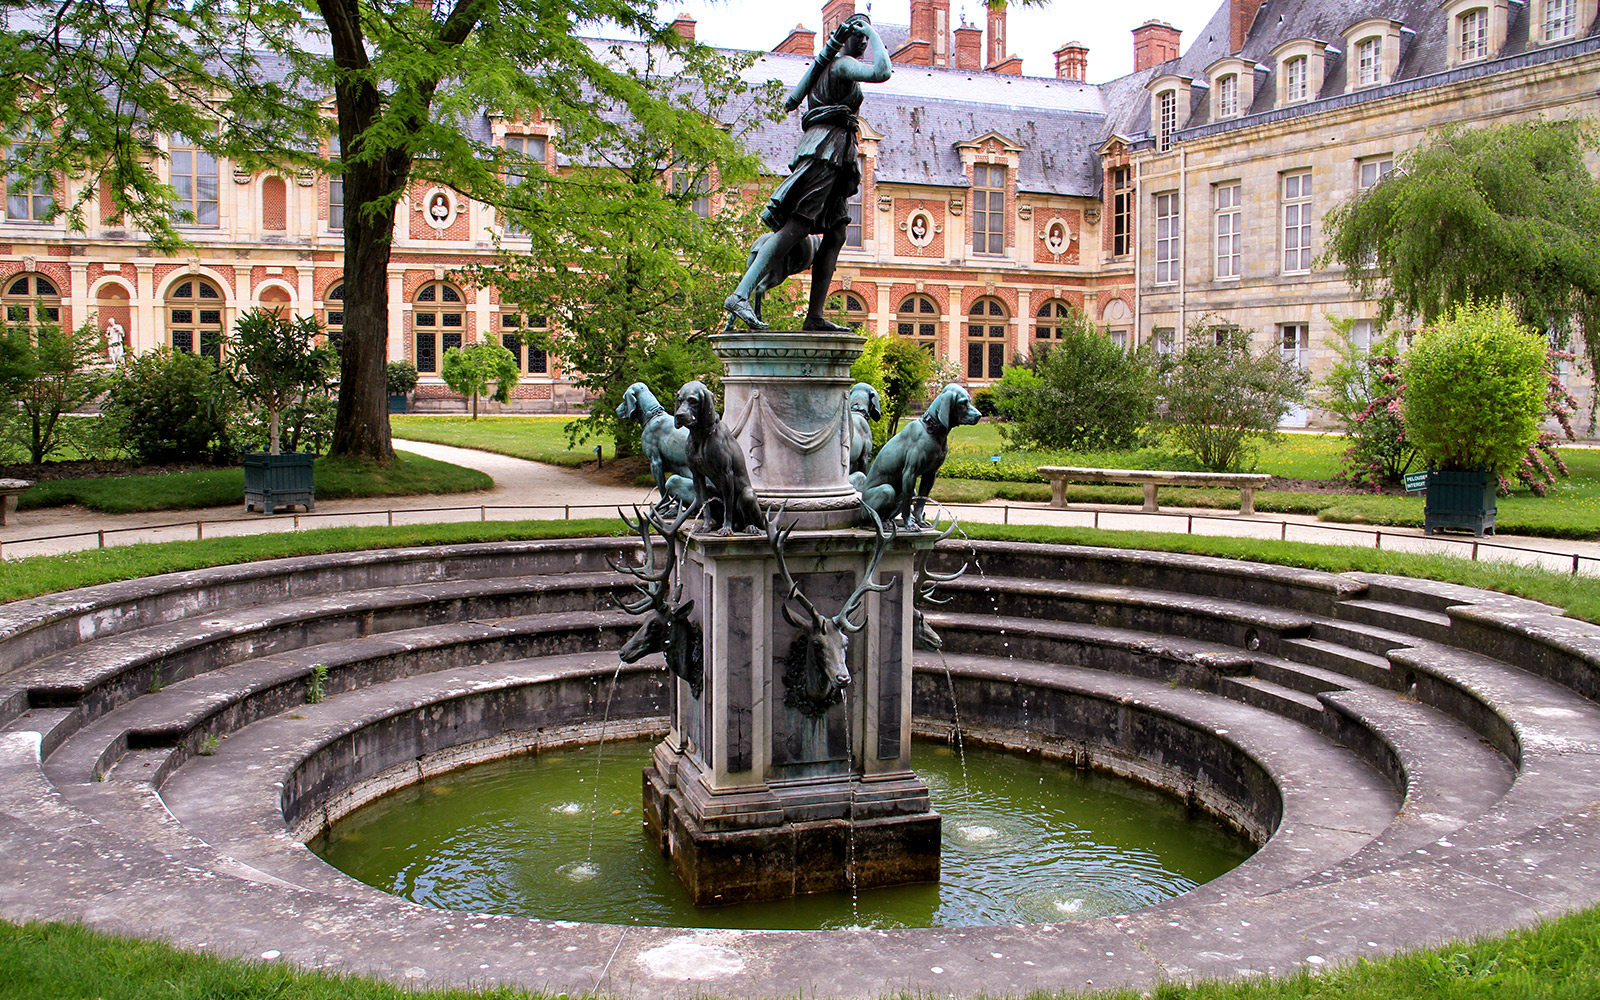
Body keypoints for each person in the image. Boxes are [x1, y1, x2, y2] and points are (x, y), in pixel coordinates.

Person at [724, 14, 890, 331]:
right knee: (797, 226)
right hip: (824, 151)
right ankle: (741, 294)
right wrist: (871, 29)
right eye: (858, 33)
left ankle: (813, 316)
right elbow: (883, 71)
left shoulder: (830, 67)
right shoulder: (841, 66)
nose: (864, 41)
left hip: (837, 154)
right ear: (844, 36)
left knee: (837, 232)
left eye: (865, 36)